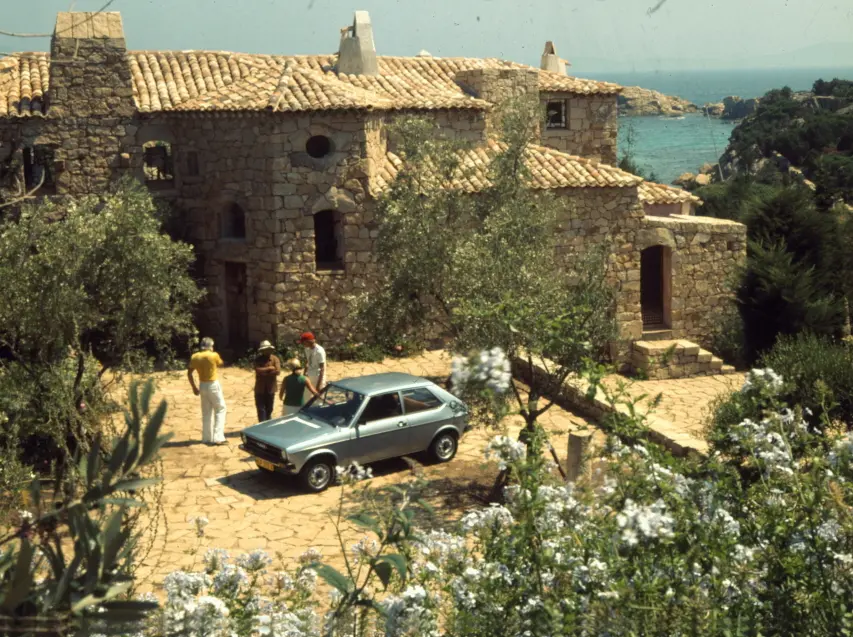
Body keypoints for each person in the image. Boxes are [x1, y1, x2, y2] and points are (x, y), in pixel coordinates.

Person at [187, 337, 227, 445]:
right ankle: (218, 437)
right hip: (213, 384)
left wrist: (194, 387)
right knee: (220, 408)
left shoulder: (195, 356)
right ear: (210, 346)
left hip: (202, 385)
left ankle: (206, 438)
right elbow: (221, 363)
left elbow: (189, 373)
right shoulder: (213, 355)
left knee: (206, 412)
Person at [253, 340, 281, 422]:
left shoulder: (275, 359)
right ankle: (261, 424)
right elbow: (257, 370)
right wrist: (269, 369)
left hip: (271, 388)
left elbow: (278, 371)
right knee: (261, 408)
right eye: (265, 350)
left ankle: (267, 423)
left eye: (268, 349)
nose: (267, 351)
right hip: (260, 388)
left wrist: (264, 372)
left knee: (269, 408)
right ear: (262, 351)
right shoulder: (258, 359)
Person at [300, 332, 326, 405]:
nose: (303, 344)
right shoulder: (307, 349)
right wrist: (304, 374)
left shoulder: (319, 351)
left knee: (319, 398)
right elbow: (307, 361)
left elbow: (322, 369)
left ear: (309, 341)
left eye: (304, 342)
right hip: (309, 375)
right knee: (305, 396)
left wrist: (318, 385)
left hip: (318, 376)